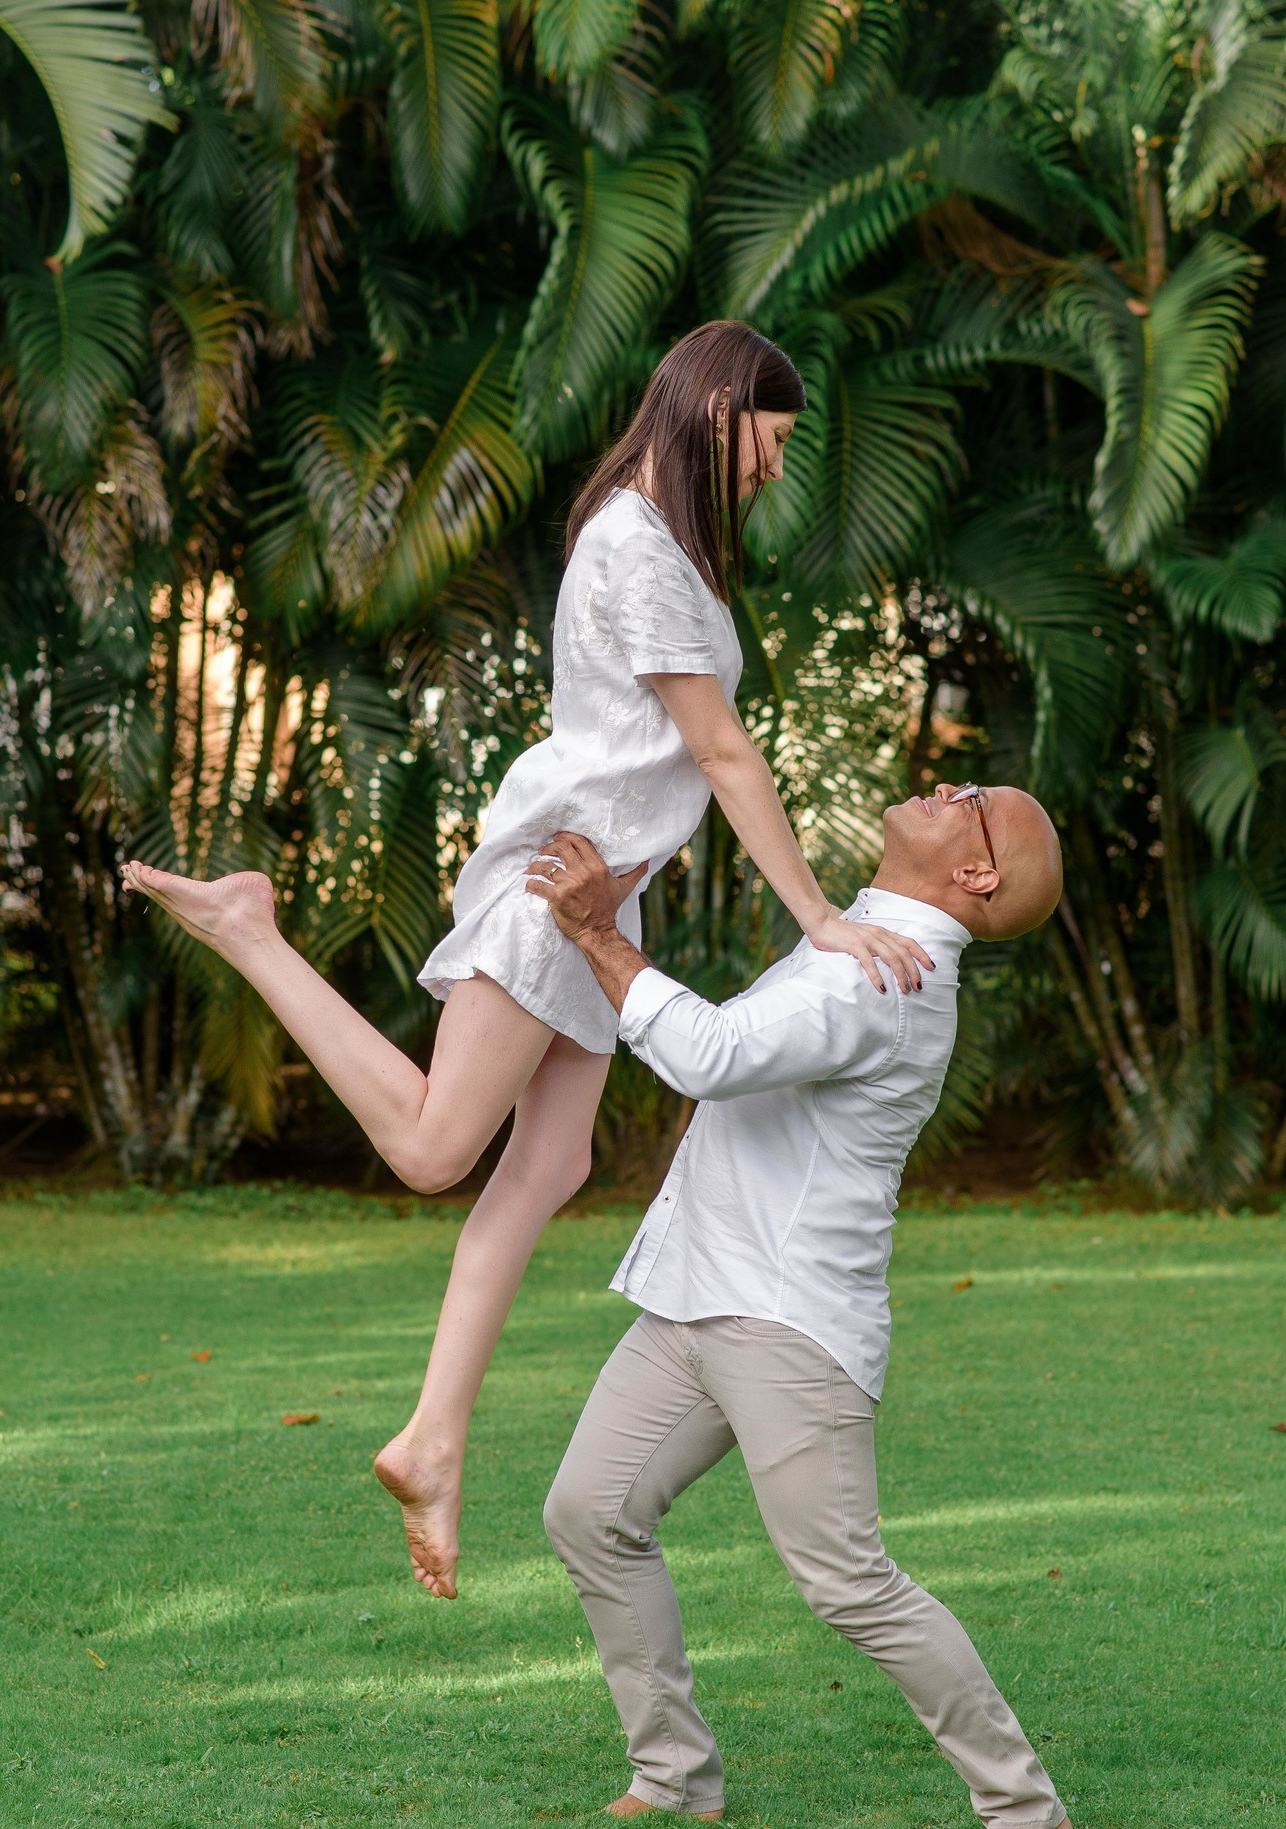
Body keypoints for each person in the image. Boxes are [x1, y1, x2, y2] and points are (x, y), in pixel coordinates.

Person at [121, 321, 932, 1600]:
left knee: (547, 1163)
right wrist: (822, 917)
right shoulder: (643, 546)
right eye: (771, 446)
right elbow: (721, 759)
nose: (776, 473)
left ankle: (432, 1438)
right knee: (439, 1146)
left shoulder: (653, 538)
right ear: (720, 412)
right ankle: (251, 930)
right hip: (560, 890)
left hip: (601, 896)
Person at [521, 781, 1074, 1828]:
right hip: (700, 1294)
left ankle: (1025, 1812)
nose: (947, 787)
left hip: (785, 1322)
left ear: (977, 874)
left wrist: (594, 929)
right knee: (590, 1512)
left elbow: (709, 1055)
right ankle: (676, 1779)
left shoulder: (885, 976)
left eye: (975, 803)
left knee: (848, 1580)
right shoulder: (860, 937)